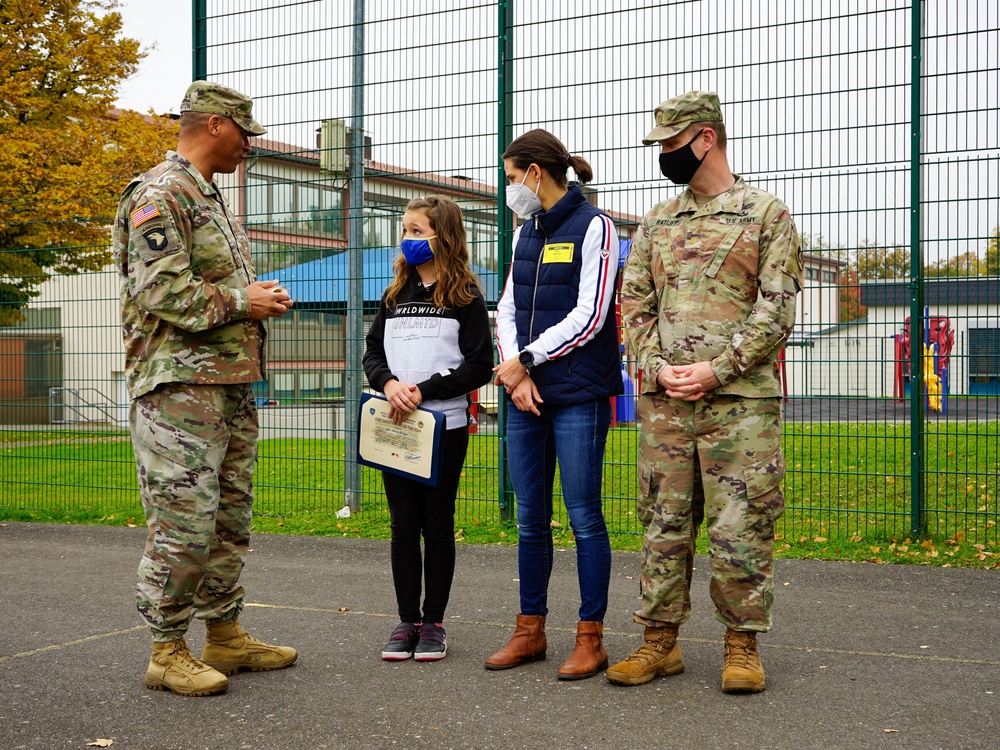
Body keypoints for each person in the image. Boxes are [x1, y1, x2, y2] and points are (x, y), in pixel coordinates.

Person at [610, 91, 803, 692]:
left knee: (741, 524)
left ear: (706, 138)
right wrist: (655, 366)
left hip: (740, 407)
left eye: (671, 143)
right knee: (662, 523)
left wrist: (718, 370)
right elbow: (634, 303)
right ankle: (659, 642)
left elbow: (776, 308)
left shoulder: (766, 214)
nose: (664, 154)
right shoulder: (657, 222)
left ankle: (742, 647)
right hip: (666, 404)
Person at [113, 81, 297, 697]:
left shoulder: (209, 196)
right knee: (184, 521)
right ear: (216, 124)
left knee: (227, 518)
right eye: (245, 132)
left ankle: (224, 635)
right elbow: (162, 291)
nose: (250, 145)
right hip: (178, 387)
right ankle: (166, 650)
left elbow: (211, 287)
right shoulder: (159, 194)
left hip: (228, 382)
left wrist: (256, 300)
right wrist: (247, 300)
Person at [487, 129, 622, 681]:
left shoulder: (596, 226)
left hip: (577, 395)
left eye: (511, 177)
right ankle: (530, 630)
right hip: (526, 394)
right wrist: (514, 373)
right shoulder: (526, 232)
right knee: (529, 519)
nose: (510, 188)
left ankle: (591, 638)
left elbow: (591, 315)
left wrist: (527, 360)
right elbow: (506, 308)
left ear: (535, 173)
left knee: (583, 517)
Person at [363, 195, 493, 662]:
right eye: (405, 230)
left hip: (443, 428)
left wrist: (424, 390)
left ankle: (433, 622)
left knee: (437, 525)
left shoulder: (465, 296)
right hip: (394, 425)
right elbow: (372, 353)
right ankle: (406, 622)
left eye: (417, 231)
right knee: (403, 526)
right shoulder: (394, 295)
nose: (407, 239)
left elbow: (479, 364)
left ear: (444, 236)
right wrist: (389, 383)